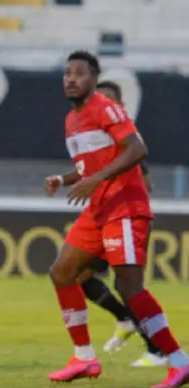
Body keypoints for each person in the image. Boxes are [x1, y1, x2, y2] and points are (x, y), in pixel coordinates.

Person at [45, 51, 189, 388]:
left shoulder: (106, 107)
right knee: (62, 272)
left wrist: (95, 181)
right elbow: (90, 168)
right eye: (67, 73)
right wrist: (64, 180)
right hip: (98, 209)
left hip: (124, 207)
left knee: (129, 286)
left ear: (94, 79)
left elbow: (137, 149)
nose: (70, 79)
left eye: (79, 73)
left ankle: (179, 361)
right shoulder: (71, 120)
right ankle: (83, 358)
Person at [67, 80, 165, 368]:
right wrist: (63, 180)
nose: (101, 104)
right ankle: (125, 320)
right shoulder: (94, 138)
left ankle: (158, 350)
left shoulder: (126, 145)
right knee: (79, 275)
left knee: (129, 285)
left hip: (125, 217)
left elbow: (145, 184)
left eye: (108, 100)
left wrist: (129, 208)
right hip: (102, 217)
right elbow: (85, 171)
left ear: (119, 107)